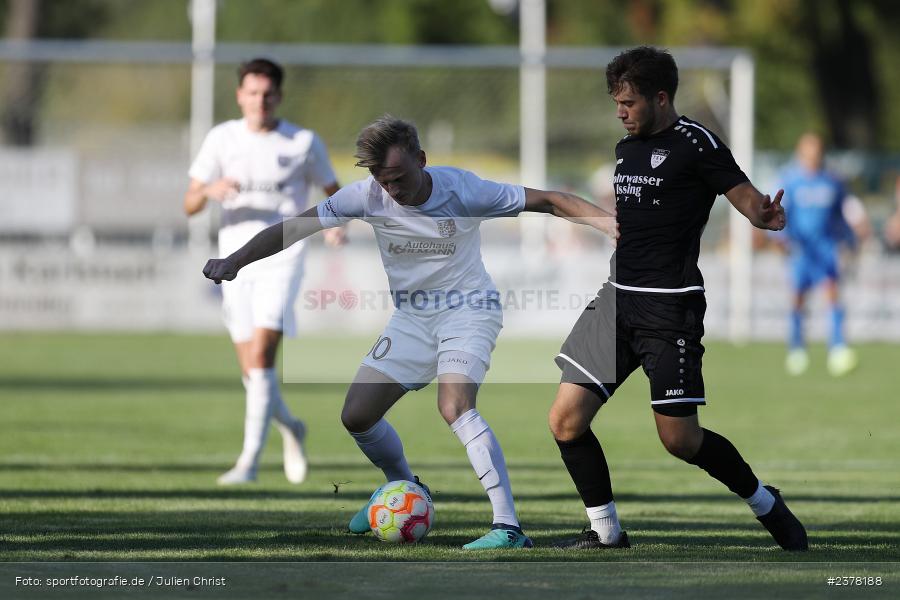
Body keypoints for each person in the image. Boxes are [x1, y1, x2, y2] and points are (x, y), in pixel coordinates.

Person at [203, 115, 618, 549]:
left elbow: (549, 200)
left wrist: (606, 222)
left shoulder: (464, 190)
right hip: (412, 319)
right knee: (357, 414)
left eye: (399, 177)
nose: (392, 190)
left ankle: (508, 527)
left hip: (468, 310)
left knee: (454, 405)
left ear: (422, 159)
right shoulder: (365, 196)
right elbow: (293, 228)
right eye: (384, 181)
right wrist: (235, 260)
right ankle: (403, 492)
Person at [548, 46, 808, 551]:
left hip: (670, 308)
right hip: (616, 299)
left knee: (680, 441)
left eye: (628, 102)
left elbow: (747, 197)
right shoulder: (625, 148)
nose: (620, 111)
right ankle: (606, 532)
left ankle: (764, 502)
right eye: (616, 102)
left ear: (661, 98)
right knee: (565, 420)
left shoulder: (698, 144)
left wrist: (765, 215)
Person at [184, 58, 341, 485]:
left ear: (279, 96)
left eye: (268, 93)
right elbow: (189, 203)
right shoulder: (222, 138)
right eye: (252, 92)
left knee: (262, 355)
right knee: (252, 374)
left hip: (282, 258)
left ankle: (248, 463)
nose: (260, 101)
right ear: (240, 95)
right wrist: (208, 191)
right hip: (233, 261)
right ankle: (291, 426)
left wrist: (331, 230)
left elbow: (333, 194)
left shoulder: (303, 141)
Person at [778, 133, 863, 376]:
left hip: (826, 248)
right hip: (802, 250)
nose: (813, 157)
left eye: (817, 152)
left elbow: (845, 212)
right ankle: (797, 349)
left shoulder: (833, 181)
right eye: (808, 153)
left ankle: (837, 348)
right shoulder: (791, 181)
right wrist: (782, 238)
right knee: (797, 298)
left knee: (832, 295)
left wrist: (851, 237)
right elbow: (783, 213)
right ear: (801, 154)